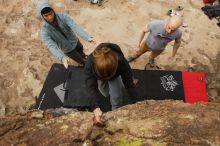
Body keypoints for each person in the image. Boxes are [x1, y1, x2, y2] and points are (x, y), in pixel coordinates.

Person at [84, 43, 138, 124]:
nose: (107, 79)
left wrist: (137, 102)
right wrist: (96, 107)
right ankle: (114, 89)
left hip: (115, 77)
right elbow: (90, 85)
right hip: (100, 77)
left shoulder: (122, 63)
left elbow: (129, 83)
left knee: (116, 96)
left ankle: (116, 110)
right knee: (105, 92)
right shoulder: (90, 63)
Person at [36, 0, 96, 69]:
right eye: (46, 15)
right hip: (67, 50)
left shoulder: (63, 17)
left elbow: (75, 26)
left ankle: (83, 56)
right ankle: (82, 63)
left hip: (75, 41)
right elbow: (51, 46)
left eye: (51, 13)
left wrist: (87, 37)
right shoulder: (44, 31)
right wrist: (62, 57)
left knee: (80, 50)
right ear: (42, 16)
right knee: (78, 58)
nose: (50, 17)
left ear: (53, 11)